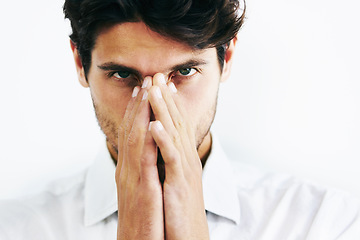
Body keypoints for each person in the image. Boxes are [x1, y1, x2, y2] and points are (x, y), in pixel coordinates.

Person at [0, 0, 359, 239]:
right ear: (81, 63)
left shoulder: (324, 223)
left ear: (227, 57)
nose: (155, 110)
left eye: (184, 71)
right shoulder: (17, 229)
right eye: (124, 76)